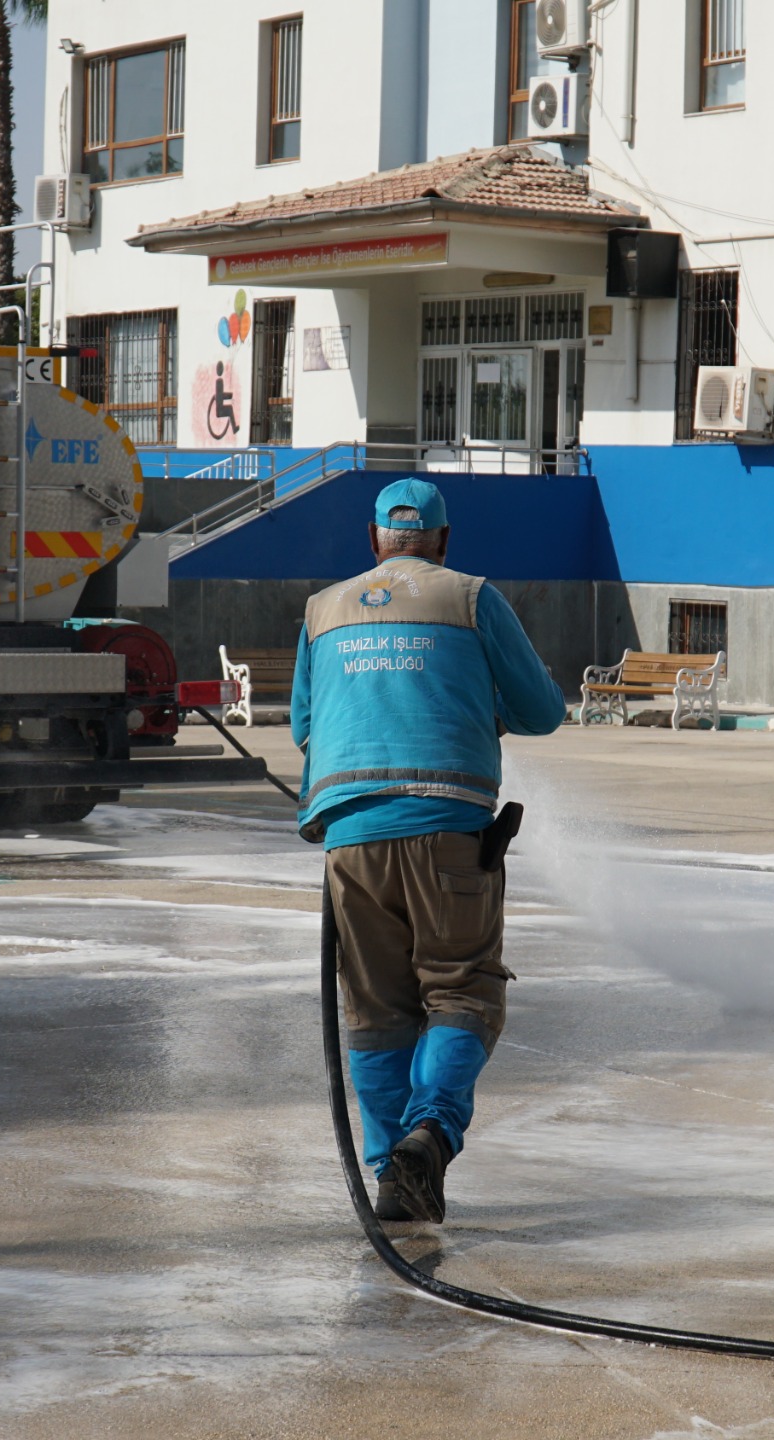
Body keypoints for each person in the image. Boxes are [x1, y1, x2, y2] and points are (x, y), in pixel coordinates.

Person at [291, 477, 568, 1224]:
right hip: (449, 832)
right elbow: (543, 713)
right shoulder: (471, 597)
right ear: (444, 541)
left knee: (377, 1012)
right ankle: (429, 1135)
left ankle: (393, 1181)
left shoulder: (323, 610)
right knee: (462, 989)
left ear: (373, 541)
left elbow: (301, 727)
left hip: (349, 839)